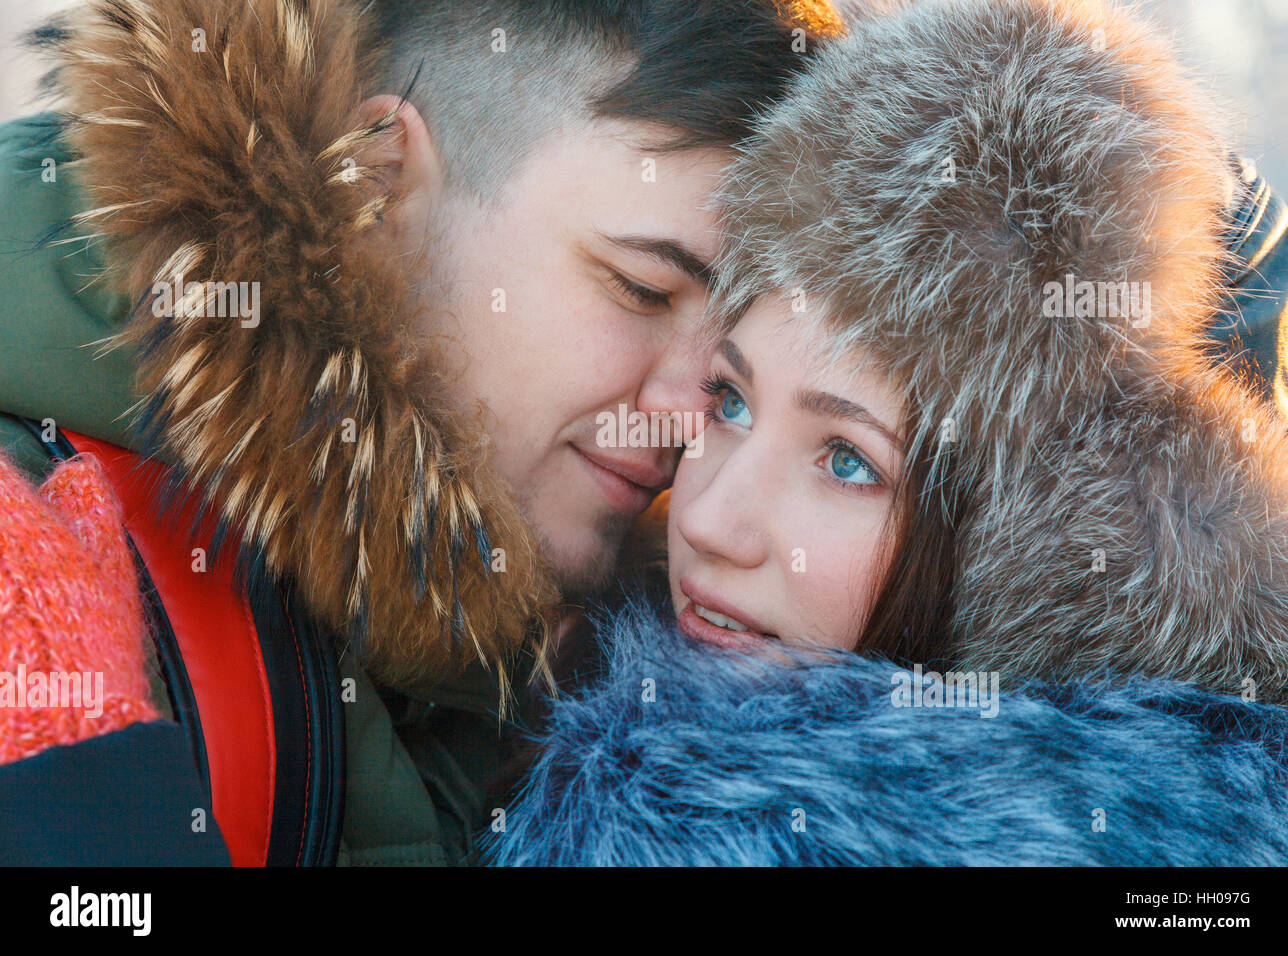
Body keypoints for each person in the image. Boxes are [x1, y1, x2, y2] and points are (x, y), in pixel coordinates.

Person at [0, 0, 845, 864]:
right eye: (643, 290)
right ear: (378, 181)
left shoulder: (584, 640)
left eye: (730, 360)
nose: (688, 416)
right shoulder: (29, 562)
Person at [483, 0, 1288, 865]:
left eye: (846, 461)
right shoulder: (543, 691)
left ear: (1036, 565)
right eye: (730, 403)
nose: (705, 519)